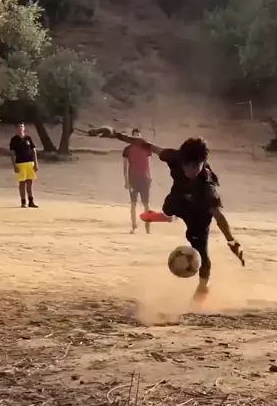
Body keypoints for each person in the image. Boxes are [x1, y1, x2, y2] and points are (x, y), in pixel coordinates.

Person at [88, 126, 245, 301]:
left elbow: (219, 216)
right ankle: (168, 215)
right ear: (182, 161)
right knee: (169, 206)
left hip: (199, 211)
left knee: (201, 252)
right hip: (178, 197)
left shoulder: (207, 188)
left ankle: (203, 286)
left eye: (196, 166)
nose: (191, 170)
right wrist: (115, 134)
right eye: (187, 165)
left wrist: (231, 241)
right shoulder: (175, 157)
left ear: (203, 162)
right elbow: (145, 144)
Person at [122, 128, 152, 234]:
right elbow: (125, 167)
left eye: (138, 136)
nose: (137, 138)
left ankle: (147, 227)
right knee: (133, 204)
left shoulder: (146, 148)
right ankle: (134, 226)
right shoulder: (127, 150)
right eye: (134, 136)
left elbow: (149, 163)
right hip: (133, 179)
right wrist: (126, 181)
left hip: (145, 179)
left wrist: (150, 177)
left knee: (146, 204)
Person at [9, 123, 39, 208]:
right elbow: (12, 153)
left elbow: (33, 150)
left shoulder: (28, 138)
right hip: (20, 163)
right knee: (22, 183)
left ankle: (31, 201)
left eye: (21, 126)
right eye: (18, 126)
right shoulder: (14, 140)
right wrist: (14, 165)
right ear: (16, 128)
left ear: (24, 128)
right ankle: (23, 202)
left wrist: (36, 163)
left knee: (30, 182)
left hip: (30, 163)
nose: (20, 128)